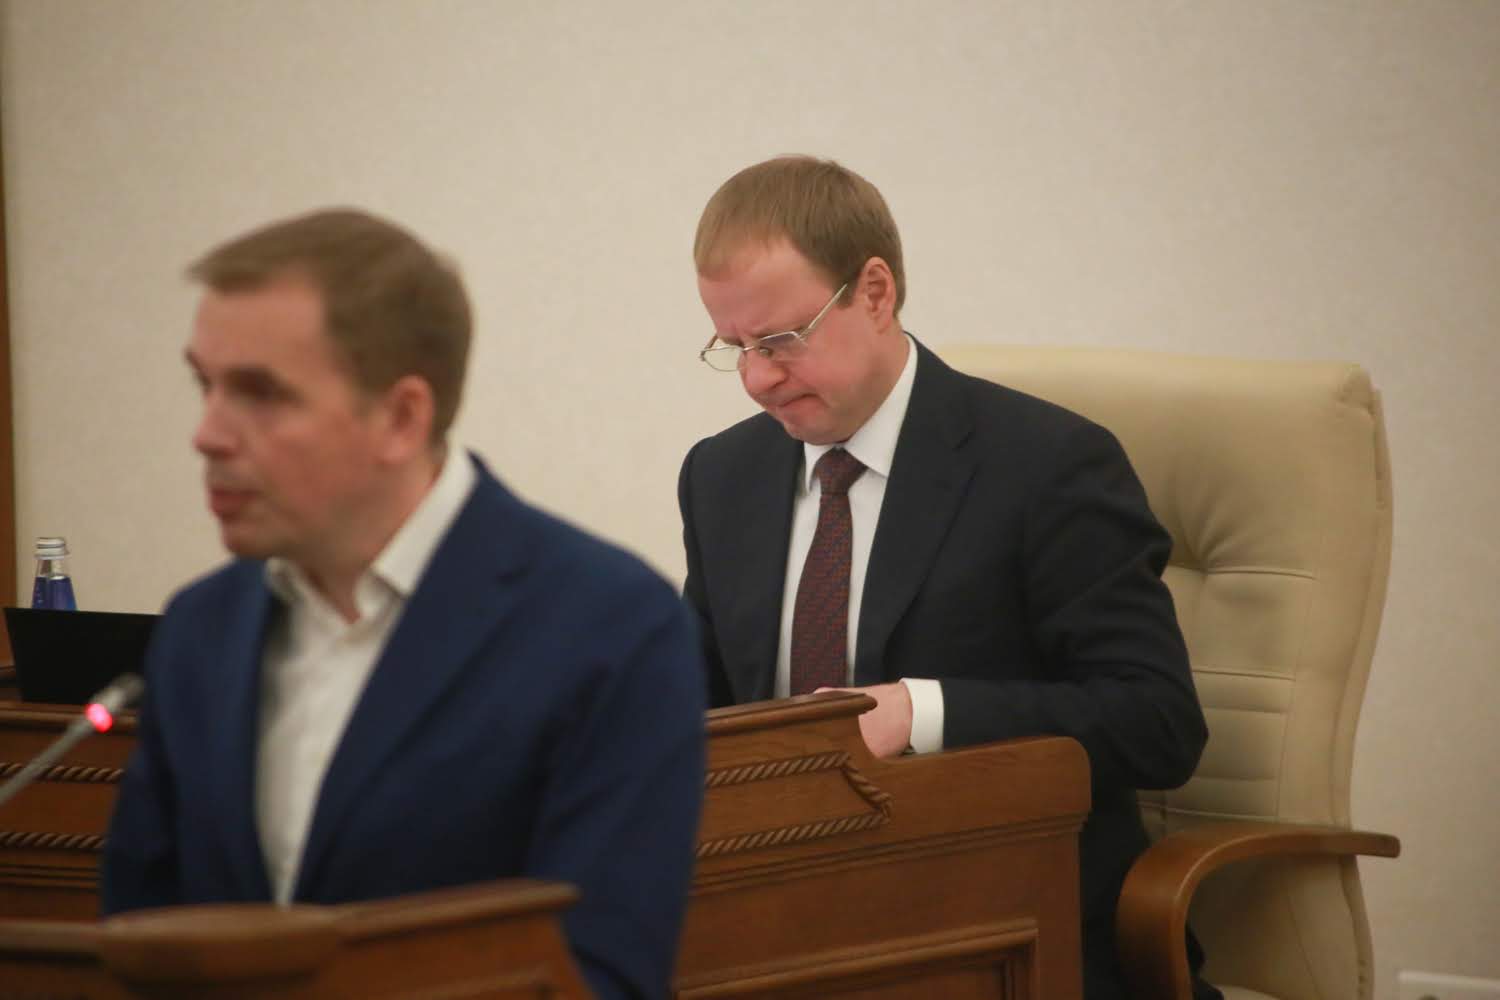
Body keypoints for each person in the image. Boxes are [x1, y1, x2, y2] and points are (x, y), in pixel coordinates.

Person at [102, 208, 706, 1000]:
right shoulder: (199, 628)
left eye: (260, 393)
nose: (207, 435)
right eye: (203, 385)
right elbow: (139, 942)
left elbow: (599, 974)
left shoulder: (611, 627)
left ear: (401, 418)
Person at [677, 156, 1212, 1000]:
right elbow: (699, 711)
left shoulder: (1049, 465)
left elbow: (1158, 723)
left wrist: (920, 713)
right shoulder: (722, 476)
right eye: (734, 347)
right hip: (780, 927)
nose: (756, 380)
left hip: (1000, 926)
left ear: (875, 292)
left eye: (779, 341)